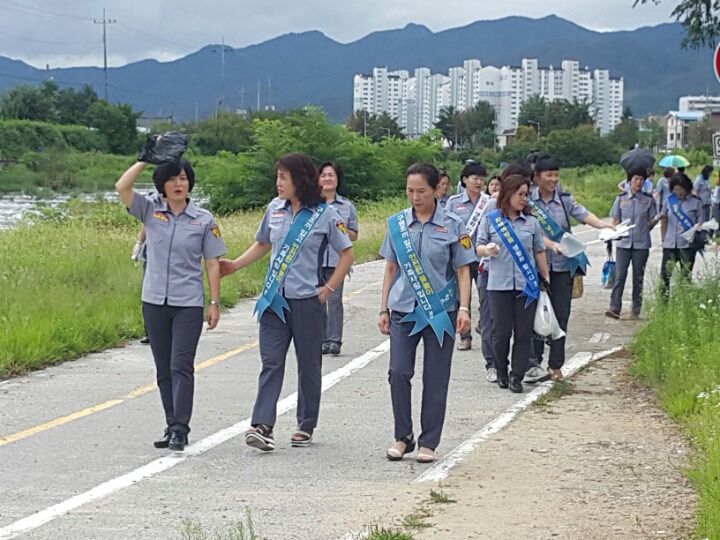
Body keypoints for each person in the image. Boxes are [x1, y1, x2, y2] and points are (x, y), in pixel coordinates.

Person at [220, 153, 354, 451]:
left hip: (307, 302)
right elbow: (263, 243)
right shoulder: (274, 209)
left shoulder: (325, 215)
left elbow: (347, 253)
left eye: (283, 177)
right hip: (274, 301)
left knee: (308, 366)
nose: (278, 183)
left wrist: (329, 288)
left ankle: (306, 424)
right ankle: (262, 425)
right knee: (271, 362)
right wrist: (235, 265)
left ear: (300, 180)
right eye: (277, 177)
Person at [115, 157, 226, 452]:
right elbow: (122, 186)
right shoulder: (150, 210)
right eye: (172, 179)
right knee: (163, 368)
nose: (179, 184)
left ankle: (180, 428)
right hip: (154, 301)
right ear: (161, 185)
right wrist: (144, 159)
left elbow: (212, 263)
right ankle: (170, 423)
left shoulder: (204, 219)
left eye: (184, 178)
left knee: (181, 365)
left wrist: (214, 302)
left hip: (188, 303)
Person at [378, 162, 474, 464]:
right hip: (403, 309)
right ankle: (403, 435)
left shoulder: (454, 225)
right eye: (410, 191)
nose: (415, 197)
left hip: (440, 312)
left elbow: (463, 270)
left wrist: (464, 308)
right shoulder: (398, 225)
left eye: (421, 191)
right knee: (398, 372)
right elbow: (390, 268)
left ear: (436, 189)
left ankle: (429, 440)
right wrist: (383, 307)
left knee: (435, 377)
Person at [528, 157, 614, 381]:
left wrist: (603, 225)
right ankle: (534, 363)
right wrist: (550, 245)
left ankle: (555, 365)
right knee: (535, 314)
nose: (553, 179)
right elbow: (529, 232)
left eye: (556, 174)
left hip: (562, 267)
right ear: (537, 177)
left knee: (561, 314)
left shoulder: (565, 201)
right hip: (536, 267)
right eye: (549, 175)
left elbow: (583, 214)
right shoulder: (527, 201)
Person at [476, 174, 550, 394]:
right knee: (501, 333)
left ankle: (517, 375)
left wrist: (545, 277)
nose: (524, 198)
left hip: (526, 286)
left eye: (526, 194)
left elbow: (539, 251)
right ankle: (501, 369)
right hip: (498, 285)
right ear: (508, 194)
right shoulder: (491, 220)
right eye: (520, 194)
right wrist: (488, 250)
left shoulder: (531, 222)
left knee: (524, 333)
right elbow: (478, 247)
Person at [446, 161, 490, 351]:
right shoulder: (454, 203)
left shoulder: (489, 202)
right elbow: (447, 228)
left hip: (483, 259)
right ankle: (465, 336)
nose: (479, 182)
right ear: (465, 180)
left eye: (481, 179)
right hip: (461, 259)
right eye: (475, 178)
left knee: (486, 297)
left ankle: (484, 327)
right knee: (462, 299)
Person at [605, 165, 659, 320]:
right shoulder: (621, 198)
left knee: (638, 277)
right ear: (629, 181)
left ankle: (636, 309)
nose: (638, 182)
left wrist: (654, 221)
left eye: (641, 179)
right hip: (623, 244)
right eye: (636, 179)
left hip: (641, 244)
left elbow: (652, 220)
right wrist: (611, 235)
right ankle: (615, 307)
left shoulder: (648, 200)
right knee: (620, 275)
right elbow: (615, 221)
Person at [318, 161, 359, 356]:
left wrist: (340, 231)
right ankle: (321, 339)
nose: (327, 179)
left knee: (334, 300)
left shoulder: (346, 206)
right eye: (323, 175)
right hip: (314, 261)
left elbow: (354, 234)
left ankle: (334, 340)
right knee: (317, 301)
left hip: (337, 261)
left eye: (331, 175)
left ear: (337, 179)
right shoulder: (311, 205)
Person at [659, 173, 703, 298]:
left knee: (685, 278)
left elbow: (701, 223)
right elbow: (664, 220)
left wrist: (697, 228)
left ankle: (684, 303)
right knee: (665, 277)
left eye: (681, 189)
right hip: (670, 245)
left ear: (687, 188)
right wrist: (663, 239)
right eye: (675, 189)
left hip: (688, 246)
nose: (678, 192)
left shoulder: (696, 202)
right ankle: (663, 304)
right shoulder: (669, 201)